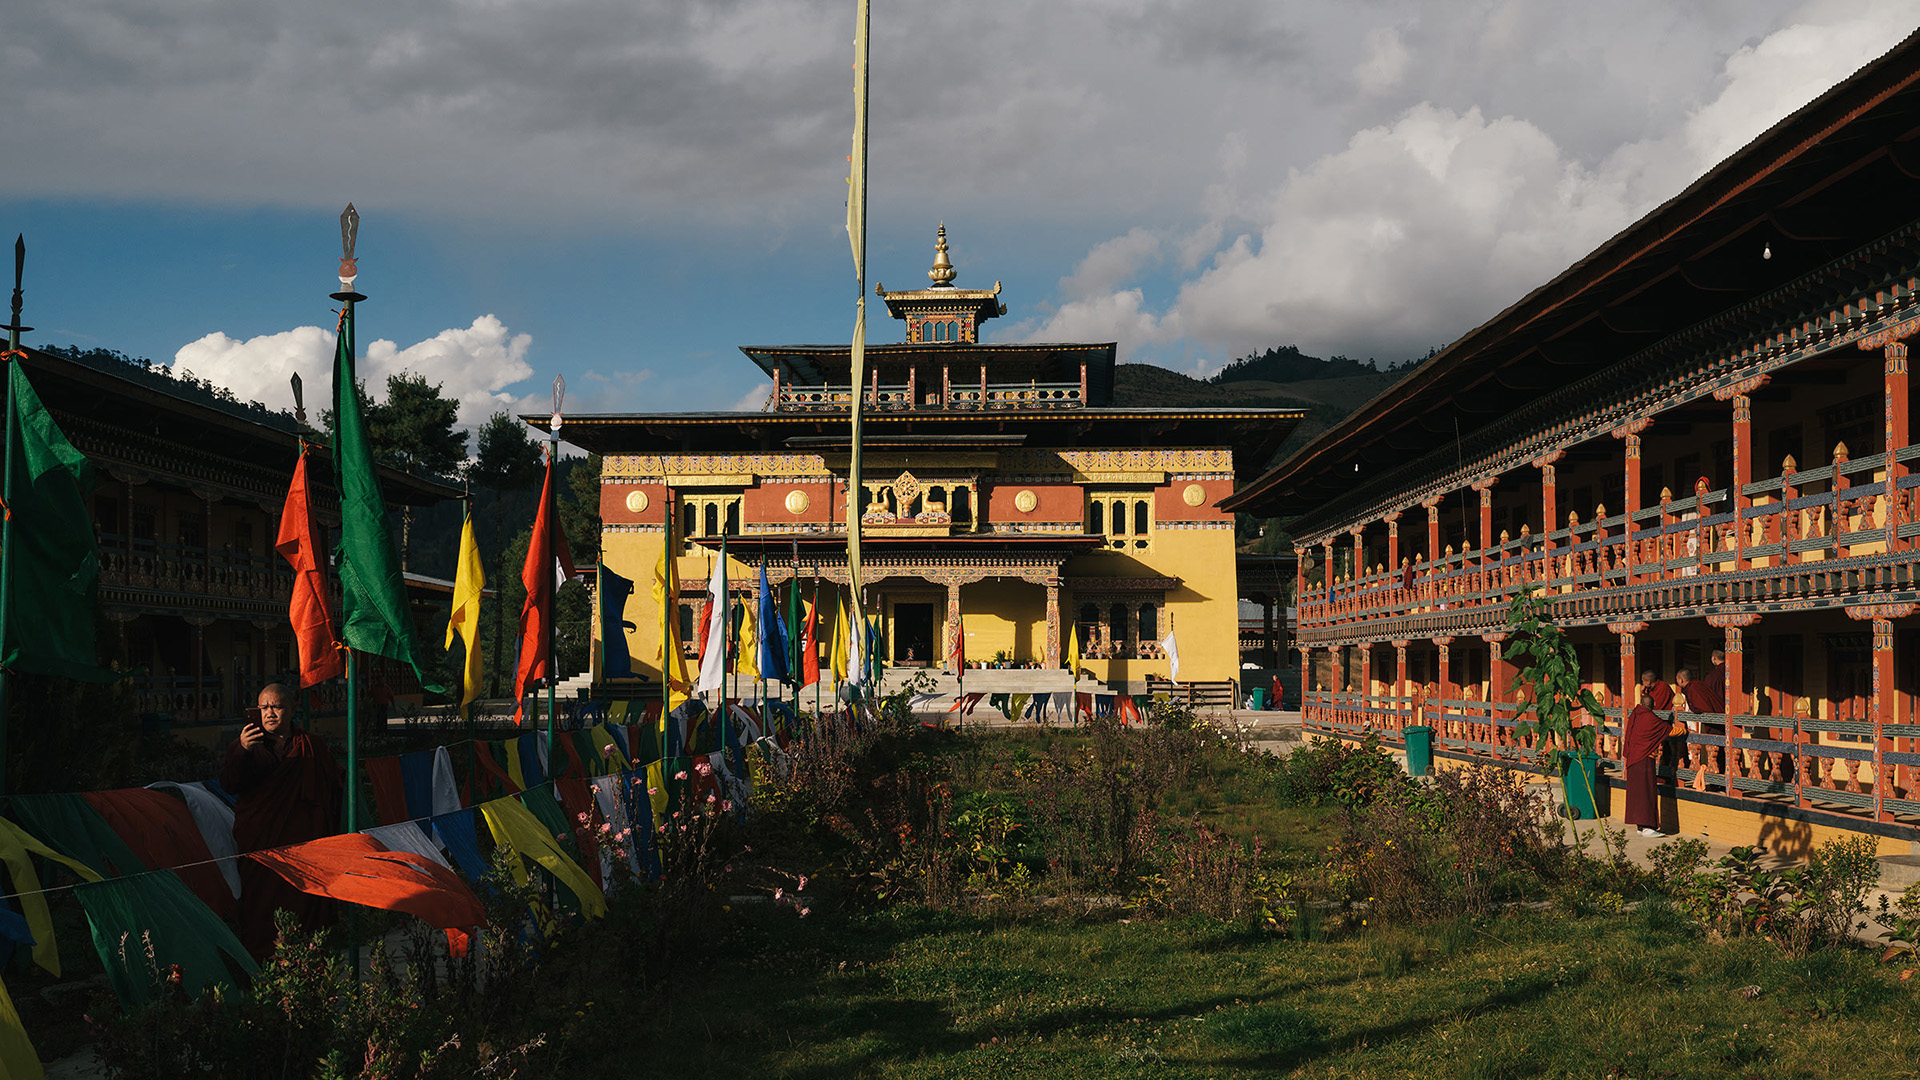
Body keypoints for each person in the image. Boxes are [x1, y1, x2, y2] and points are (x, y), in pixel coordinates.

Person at [220, 683, 344, 960]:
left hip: (304, 848)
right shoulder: (246, 746)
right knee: (259, 907)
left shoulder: (312, 746)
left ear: (291, 709)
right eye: (263, 707)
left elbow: (333, 790)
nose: (269, 713)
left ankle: (305, 967)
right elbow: (229, 784)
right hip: (261, 846)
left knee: (305, 910)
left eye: (276, 706)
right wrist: (242, 750)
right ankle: (261, 968)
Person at [1623, 674, 1673, 836]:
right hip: (1644, 759)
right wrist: (1684, 730)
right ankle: (1647, 828)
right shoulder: (1650, 717)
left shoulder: (1635, 715)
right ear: (1653, 706)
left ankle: (1640, 826)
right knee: (1646, 792)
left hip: (1633, 759)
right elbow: (1667, 729)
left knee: (1636, 793)